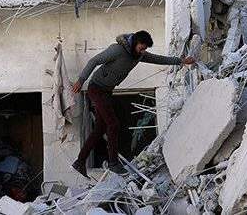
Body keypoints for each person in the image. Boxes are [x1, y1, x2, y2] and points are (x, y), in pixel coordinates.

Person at [70, 30, 195, 176]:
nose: (143, 51)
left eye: (145, 49)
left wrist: (181, 61)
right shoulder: (117, 50)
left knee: (100, 129)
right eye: (141, 48)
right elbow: (94, 61)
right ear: (135, 42)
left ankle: (80, 162)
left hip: (107, 91)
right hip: (96, 88)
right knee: (113, 124)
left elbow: (157, 59)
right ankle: (113, 163)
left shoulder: (139, 55)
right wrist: (81, 80)